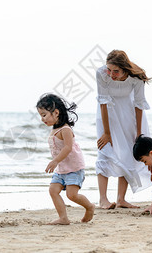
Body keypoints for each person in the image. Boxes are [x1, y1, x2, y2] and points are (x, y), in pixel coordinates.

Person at [95, 50, 152, 209]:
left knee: (128, 152)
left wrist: (139, 133)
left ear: (125, 68)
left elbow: (139, 104)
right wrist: (106, 133)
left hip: (128, 115)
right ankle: (103, 199)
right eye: (109, 69)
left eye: (116, 71)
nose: (111, 74)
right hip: (107, 114)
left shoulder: (137, 76)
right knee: (105, 151)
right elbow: (103, 102)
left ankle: (121, 199)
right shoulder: (102, 74)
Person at [36, 93, 95, 225]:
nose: (42, 119)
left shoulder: (65, 129)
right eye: (41, 115)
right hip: (61, 169)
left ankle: (89, 207)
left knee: (72, 195)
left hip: (74, 168)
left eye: (44, 115)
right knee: (53, 190)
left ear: (56, 112)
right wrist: (56, 163)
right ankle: (63, 218)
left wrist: (55, 161)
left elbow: (68, 148)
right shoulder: (54, 130)